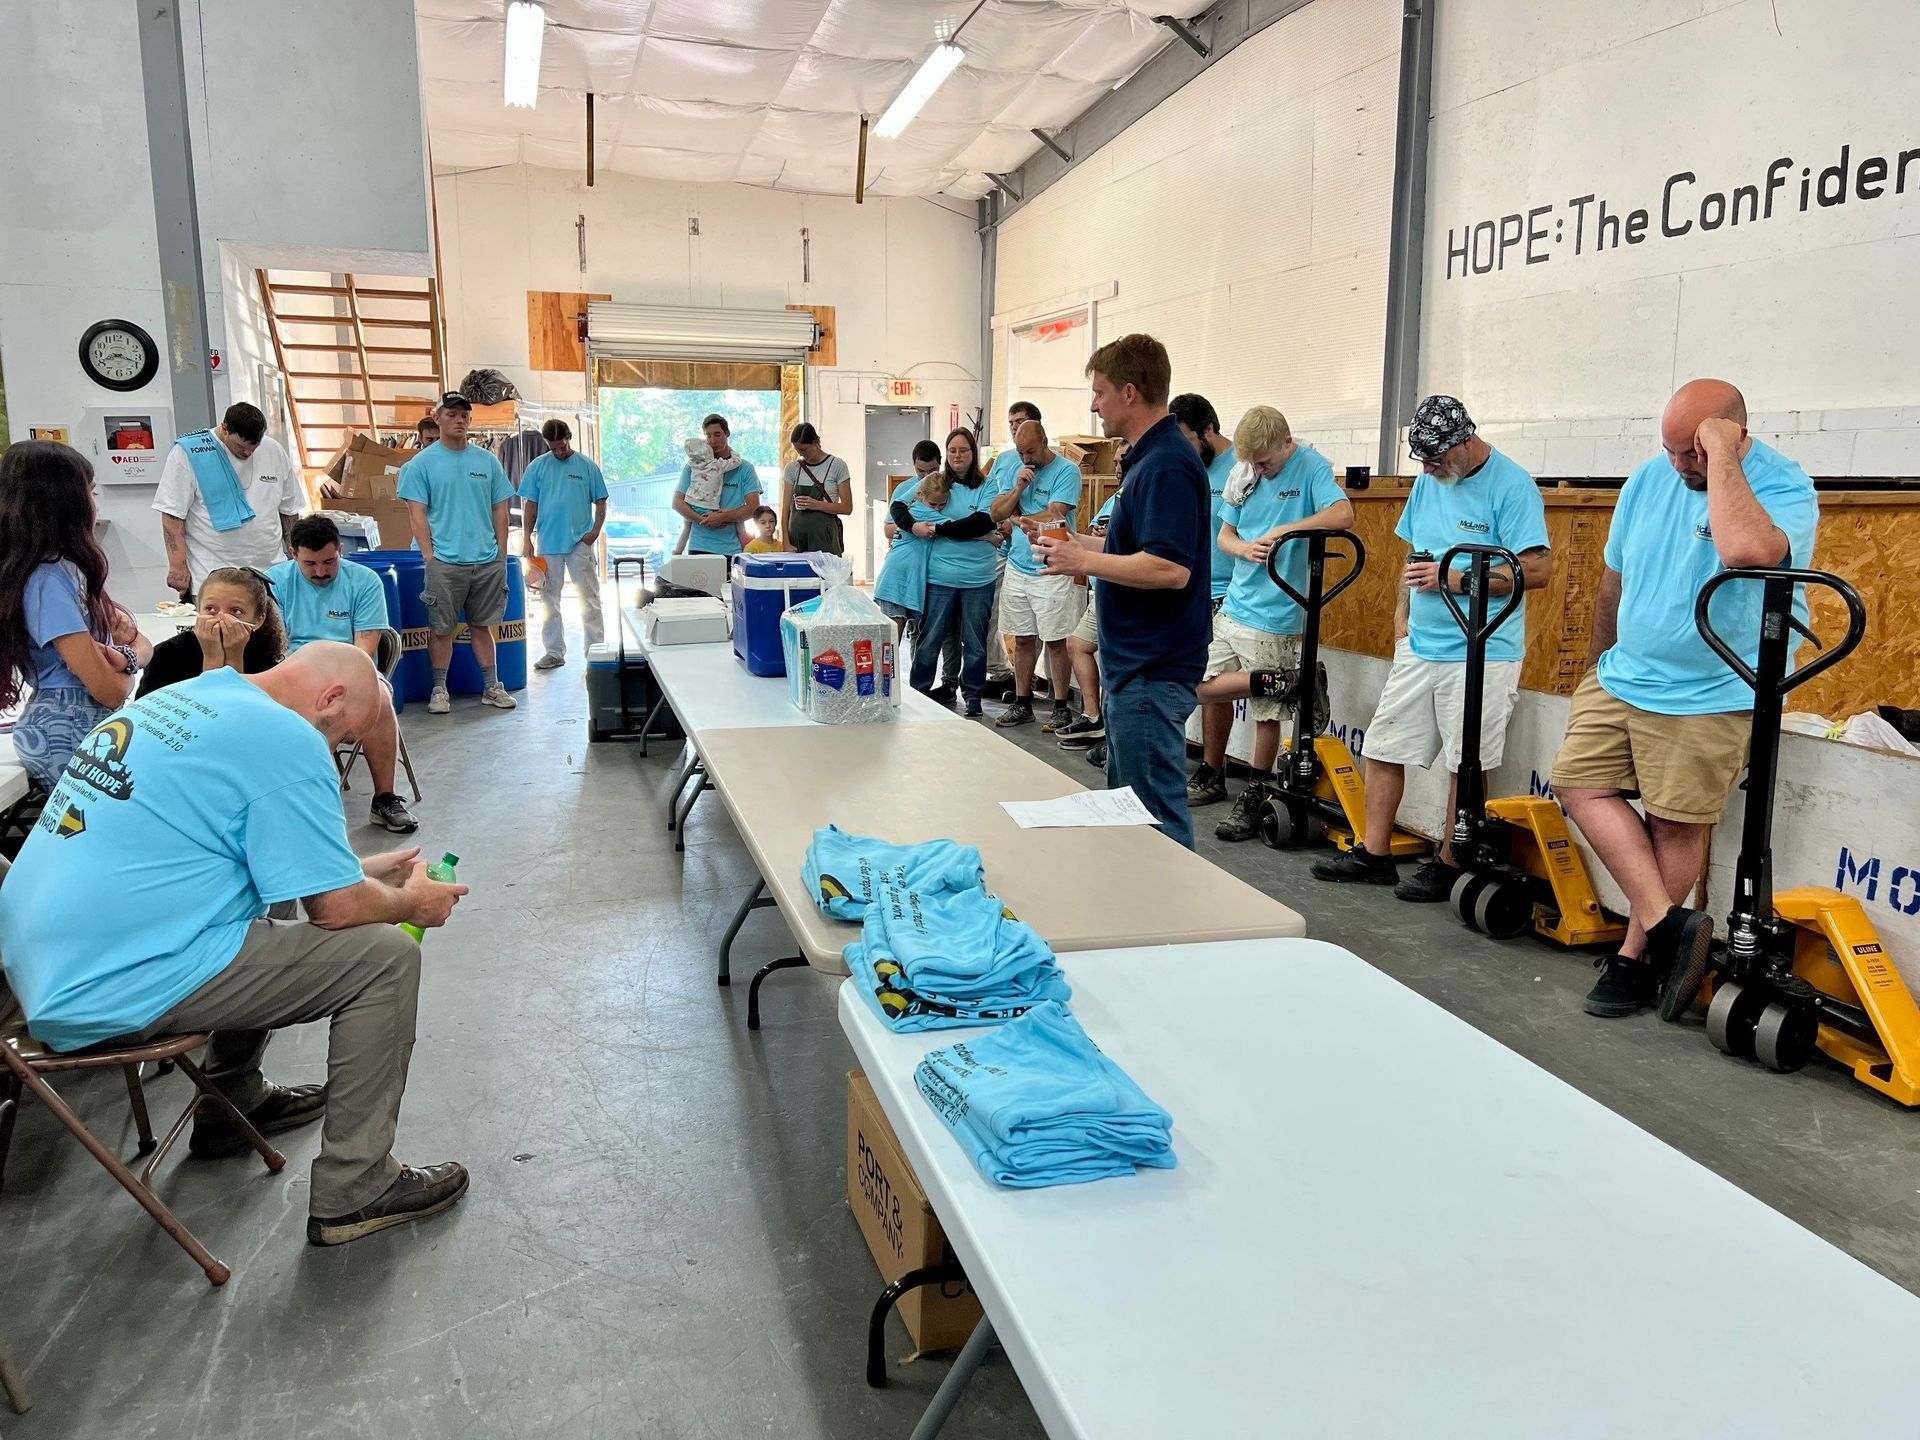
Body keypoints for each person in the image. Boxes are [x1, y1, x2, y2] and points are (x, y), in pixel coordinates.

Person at [0, 642, 470, 1247]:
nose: (330, 751)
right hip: (106, 984)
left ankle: (231, 1102)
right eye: (340, 735)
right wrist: (410, 904)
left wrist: (350, 872)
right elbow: (338, 912)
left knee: (269, 888)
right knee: (386, 958)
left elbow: (276, 864)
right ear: (329, 699)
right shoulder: (287, 739)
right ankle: (357, 1189)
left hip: (42, 963)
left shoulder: (188, 697)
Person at [1551, 378, 1817, 1019]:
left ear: (1735, 434)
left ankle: (1636, 958)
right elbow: (1616, 576)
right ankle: (1672, 924)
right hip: (1625, 675)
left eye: (1691, 453)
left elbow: (1749, 552)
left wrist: (1721, 459)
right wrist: (1596, 665)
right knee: (1576, 783)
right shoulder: (1649, 479)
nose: (1679, 467)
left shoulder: (1783, 485)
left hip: (1713, 688)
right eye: (1670, 452)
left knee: (1675, 822)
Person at [1308, 396, 1551, 893]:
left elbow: (1539, 570)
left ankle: (1451, 860)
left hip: (1484, 646)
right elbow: (1415, 554)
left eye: (1436, 459)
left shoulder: (1512, 485)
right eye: (1421, 460)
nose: (1427, 468)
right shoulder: (1428, 481)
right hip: (1423, 643)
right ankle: (1375, 854)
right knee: (1383, 744)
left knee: (1467, 760)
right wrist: (1402, 607)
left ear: (1464, 442)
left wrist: (1455, 579)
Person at [1035, 334, 1210, 849]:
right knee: (1130, 813)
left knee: (1152, 820)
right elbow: (1134, 546)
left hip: (1152, 668)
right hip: (1135, 667)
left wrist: (1084, 559)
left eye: (1100, 392)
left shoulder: (1168, 465)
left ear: (1130, 392)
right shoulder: (1149, 460)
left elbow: (1171, 569)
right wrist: (1074, 543)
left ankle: (1171, 923)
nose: (1094, 405)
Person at [1189, 407, 1352, 842]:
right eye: (1253, 463)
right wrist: (1242, 550)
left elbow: (1342, 516)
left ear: (1286, 442)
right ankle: (1286, 681)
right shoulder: (1245, 470)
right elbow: (1225, 536)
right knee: (1198, 685)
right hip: (1236, 602)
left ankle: (1257, 789)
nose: (1258, 469)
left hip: (1279, 610)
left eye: (1265, 461)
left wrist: (1288, 530)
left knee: (1267, 715)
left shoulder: (1312, 466)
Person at [0, 442, 149, 788]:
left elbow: (140, 643)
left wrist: (125, 658)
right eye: (91, 492)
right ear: (64, 502)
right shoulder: (46, 581)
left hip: (77, 719)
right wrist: (127, 669)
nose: (95, 504)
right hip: (66, 727)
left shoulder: (65, 572)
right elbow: (107, 689)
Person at [267, 514, 421, 834]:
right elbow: (272, 648)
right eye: (310, 564)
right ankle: (298, 802)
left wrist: (334, 685)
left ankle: (385, 798)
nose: (321, 571)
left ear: (340, 548)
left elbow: (364, 650)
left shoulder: (364, 581)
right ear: (293, 554)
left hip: (348, 669)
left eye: (329, 561)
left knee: (378, 699)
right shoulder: (274, 583)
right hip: (291, 671)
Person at [397, 392, 517, 715]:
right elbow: (416, 511)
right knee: (441, 629)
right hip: (445, 563)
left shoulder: (487, 462)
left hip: (485, 559)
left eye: (464, 415)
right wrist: (429, 556)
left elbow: (500, 509)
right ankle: (439, 690)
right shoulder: (421, 464)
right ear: (437, 418)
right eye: (451, 414)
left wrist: (501, 554)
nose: (459, 420)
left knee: (483, 626)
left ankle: (492, 686)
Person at [989, 419, 1086, 731]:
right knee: (1023, 637)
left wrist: (1019, 518)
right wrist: (1019, 487)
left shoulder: (1067, 471)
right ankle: (1022, 701)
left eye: (1030, 451)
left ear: (1045, 442)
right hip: (1019, 565)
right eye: (1020, 452)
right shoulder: (1017, 469)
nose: (1026, 457)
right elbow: (996, 512)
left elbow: (1054, 514)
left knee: (1056, 639)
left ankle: (1060, 706)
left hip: (1052, 565)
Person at [154, 402, 304, 598]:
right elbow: (173, 516)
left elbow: (289, 512)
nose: (248, 453)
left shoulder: (274, 450)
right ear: (225, 428)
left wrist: (299, 559)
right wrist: (177, 567)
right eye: (241, 447)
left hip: (270, 573)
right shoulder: (188, 453)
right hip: (212, 574)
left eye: (254, 447)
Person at [901, 429, 1000, 717]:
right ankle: (918, 691)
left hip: (978, 579)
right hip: (940, 578)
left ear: (973, 453)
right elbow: (899, 508)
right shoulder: (936, 481)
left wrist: (939, 528)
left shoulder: (987, 485)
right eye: (953, 450)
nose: (958, 456)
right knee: (930, 638)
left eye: (964, 450)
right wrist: (915, 526)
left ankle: (973, 697)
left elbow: (980, 523)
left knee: (975, 641)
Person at [1172, 394, 1241, 802]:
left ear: (1209, 430)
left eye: (1186, 438)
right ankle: (1171, 757)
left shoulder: (1243, 468)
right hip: (1189, 589)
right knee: (1185, 679)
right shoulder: (1189, 465)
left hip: (1228, 591)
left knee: (1215, 686)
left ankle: (1213, 770)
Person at [520, 418, 608, 670]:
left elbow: (601, 502)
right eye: (553, 447)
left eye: (562, 446)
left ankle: (595, 650)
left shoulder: (587, 466)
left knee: (589, 597)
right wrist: (527, 538)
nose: (559, 451)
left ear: (569, 437)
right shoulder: (537, 467)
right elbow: (531, 506)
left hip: (579, 542)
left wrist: (594, 532)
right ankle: (554, 651)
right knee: (549, 600)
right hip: (548, 542)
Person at [138, 566, 287, 697]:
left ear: (258, 620)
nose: (221, 618)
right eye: (211, 609)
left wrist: (234, 657)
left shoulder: (268, 663)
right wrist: (212, 656)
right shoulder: (167, 654)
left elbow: (238, 713)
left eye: (235, 611)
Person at [1054, 485, 1121, 756]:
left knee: (1114, 661)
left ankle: (1113, 738)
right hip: (1103, 588)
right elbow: (1099, 536)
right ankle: (1094, 718)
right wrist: (1069, 538)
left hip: (1125, 589)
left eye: (1123, 460)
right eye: (1116, 462)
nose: (1118, 466)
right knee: (1078, 643)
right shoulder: (1118, 495)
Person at [875, 464, 953, 637]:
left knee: (898, 639)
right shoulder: (921, 511)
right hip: (896, 580)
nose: (937, 509)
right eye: (933, 504)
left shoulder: (920, 509)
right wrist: (990, 537)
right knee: (891, 644)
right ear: (920, 495)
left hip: (906, 580)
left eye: (942, 505)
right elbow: (958, 528)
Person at [672, 413, 762, 558]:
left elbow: (753, 508)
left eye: (718, 434)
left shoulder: (745, 468)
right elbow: (677, 503)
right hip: (699, 546)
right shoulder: (693, 467)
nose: (713, 441)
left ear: (727, 434)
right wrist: (703, 520)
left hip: (731, 549)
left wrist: (724, 517)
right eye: (708, 436)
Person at [781, 423, 853, 555]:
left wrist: (817, 505)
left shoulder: (837, 466)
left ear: (815, 443)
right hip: (797, 541)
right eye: (797, 451)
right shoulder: (792, 469)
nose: (801, 454)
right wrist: (786, 541)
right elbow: (785, 509)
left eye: (804, 450)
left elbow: (847, 508)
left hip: (825, 539)